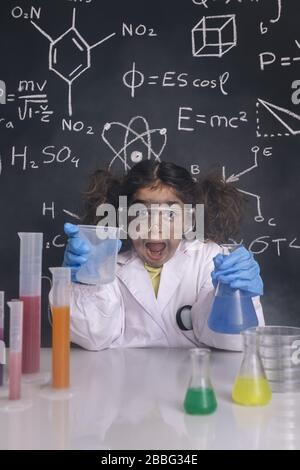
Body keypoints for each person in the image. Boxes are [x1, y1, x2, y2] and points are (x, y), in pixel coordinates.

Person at [63, 160, 264, 351]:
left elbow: (234, 340)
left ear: (189, 220)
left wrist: (232, 296)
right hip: (124, 380)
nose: (155, 228)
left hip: (193, 377)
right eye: (141, 213)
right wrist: (86, 283)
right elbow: (93, 337)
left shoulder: (209, 258)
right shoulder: (108, 266)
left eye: (170, 214)